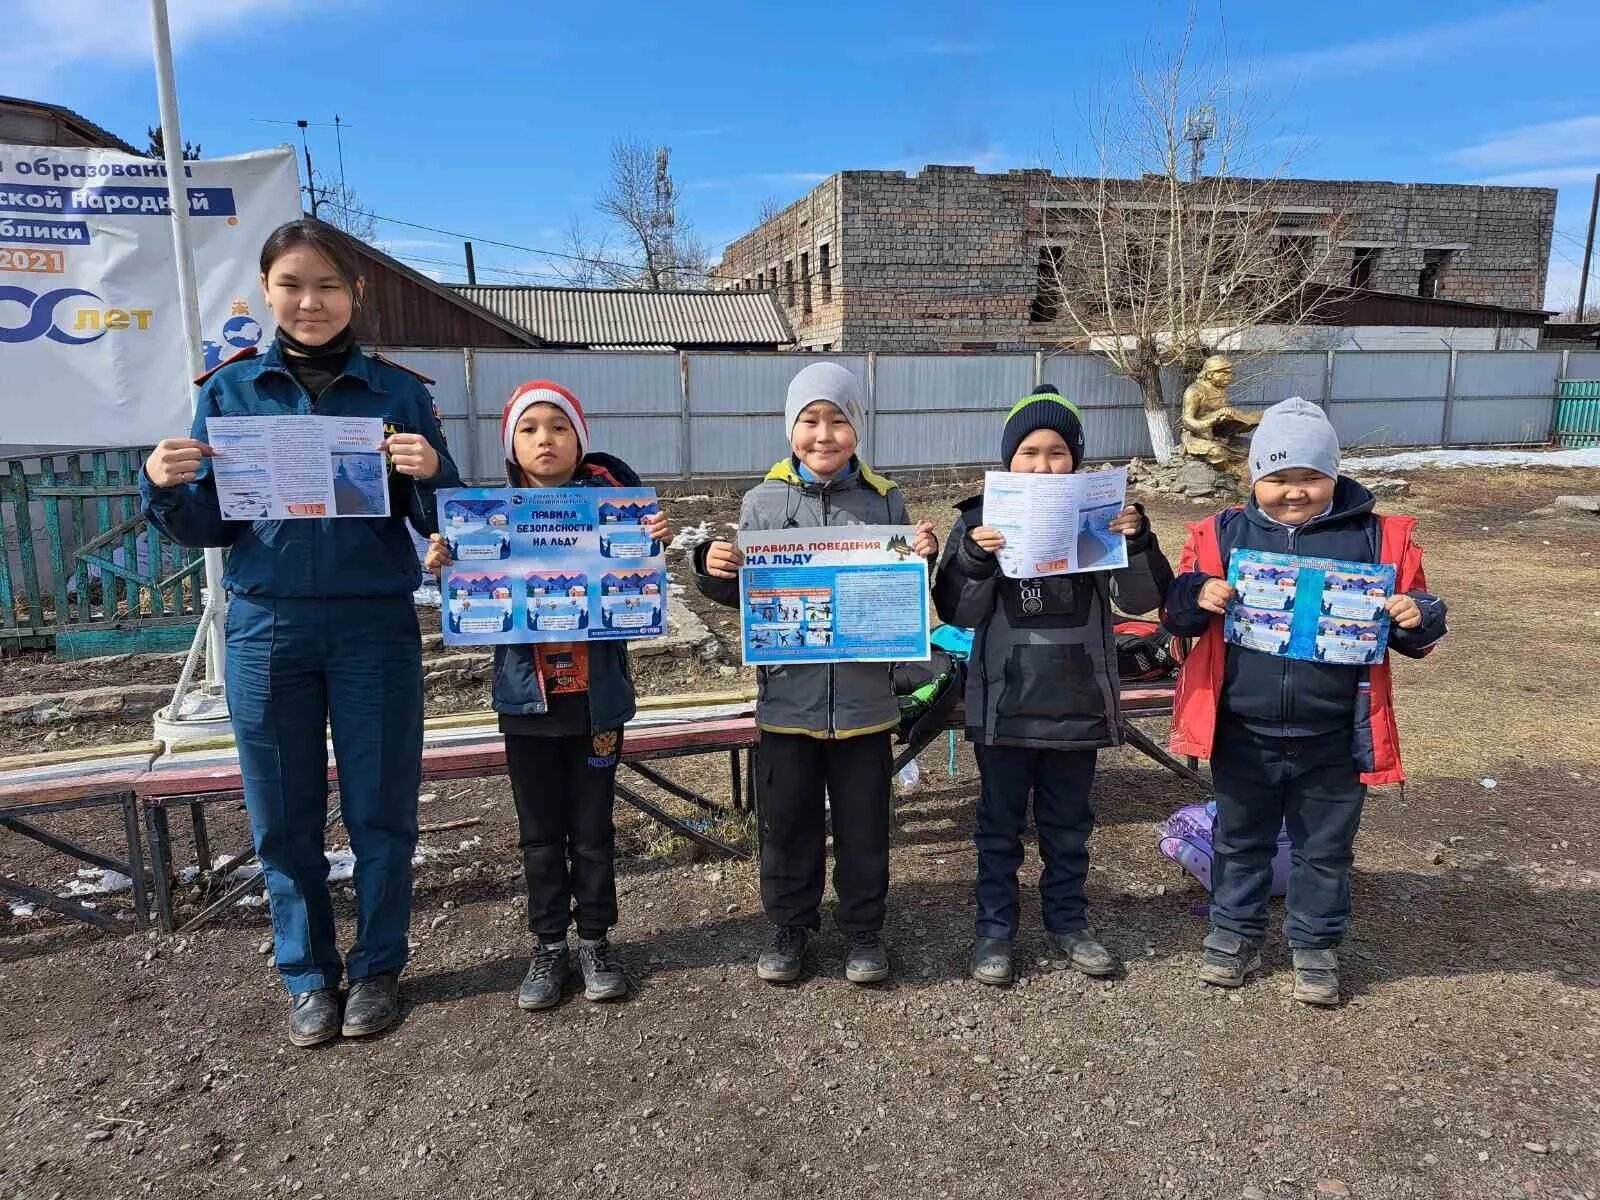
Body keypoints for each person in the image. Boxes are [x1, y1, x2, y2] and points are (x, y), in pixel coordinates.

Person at [140, 218, 459, 1047]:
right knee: (282, 815)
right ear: (268, 293)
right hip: (266, 627)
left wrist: (433, 474)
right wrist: (165, 488)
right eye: (292, 285)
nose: (310, 302)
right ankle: (309, 975)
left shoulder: (397, 392)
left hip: (372, 627)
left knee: (381, 809)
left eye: (327, 285)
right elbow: (210, 526)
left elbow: (444, 522)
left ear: (356, 294)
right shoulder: (231, 392)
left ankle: (379, 967)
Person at [1162, 397, 1447, 1006]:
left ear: (1335, 474)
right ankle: (1232, 936)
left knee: (1324, 848)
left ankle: (1314, 946)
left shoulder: (1374, 537)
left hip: (1335, 734)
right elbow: (1176, 611)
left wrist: (1416, 615)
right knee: (1240, 839)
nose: (1294, 493)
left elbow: (1417, 626)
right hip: (1243, 727)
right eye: (1278, 478)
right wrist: (1199, 593)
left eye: (1311, 478)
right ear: (1255, 477)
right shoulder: (1221, 534)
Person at [425, 381, 669, 1011]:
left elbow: (635, 587)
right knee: (538, 833)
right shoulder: (485, 519)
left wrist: (652, 543)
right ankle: (548, 945)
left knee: (592, 828)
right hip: (526, 703)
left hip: (597, 704)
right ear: (513, 445)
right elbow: (467, 600)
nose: (545, 439)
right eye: (529, 428)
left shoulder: (620, 511)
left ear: (580, 439)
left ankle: (594, 941)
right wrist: (449, 564)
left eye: (558, 427)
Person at [693, 362, 937, 985]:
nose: (823, 434)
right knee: (788, 824)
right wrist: (712, 567)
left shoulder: (885, 499)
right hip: (787, 704)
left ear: (857, 427)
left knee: (864, 826)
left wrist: (921, 561)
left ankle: (863, 931)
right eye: (810, 420)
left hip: (865, 705)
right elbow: (747, 598)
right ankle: (789, 927)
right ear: (789, 428)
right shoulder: (763, 501)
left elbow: (897, 595)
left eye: (838, 420)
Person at [932, 384, 1173, 986]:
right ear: (1008, 460)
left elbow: (1142, 601)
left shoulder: (1105, 516)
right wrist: (973, 560)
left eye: (1058, 453)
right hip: (1003, 706)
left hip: (1080, 701)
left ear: (1078, 461)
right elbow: (956, 614)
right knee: (998, 825)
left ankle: (1070, 923)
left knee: (1070, 825)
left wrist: (1137, 542)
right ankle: (995, 930)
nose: (1043, 465)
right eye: (1029, 453)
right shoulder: (976, 520)